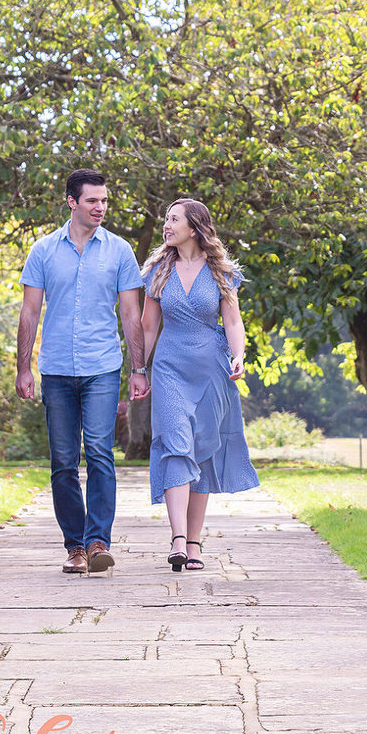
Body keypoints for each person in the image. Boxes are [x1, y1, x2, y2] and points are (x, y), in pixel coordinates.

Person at [16, 169, 148, 575]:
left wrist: (138, 368)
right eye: (92, 201)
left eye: (104, 201)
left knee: (100, 454)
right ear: (71, 202)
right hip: (55, 369)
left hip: (102, 368)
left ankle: (97, 542)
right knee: (63, 461)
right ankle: (73, 546)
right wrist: (22, 368)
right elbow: (30, 312)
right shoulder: (42, 251)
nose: (100, 208)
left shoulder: (120, 251)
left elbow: (130, 313)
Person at [138, 197, 259, 572]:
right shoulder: (158, 269)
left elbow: (233, 322)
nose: (167, 224)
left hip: (211, 370)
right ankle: (176, 539)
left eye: (174, 219)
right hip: (170, 367)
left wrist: (238, 355)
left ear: (194, 227)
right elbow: (147, 325)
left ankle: (194, 543)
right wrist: (139, 368)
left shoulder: (221, 270)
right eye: (167, 218)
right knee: (177, 445)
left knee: (202, 452)